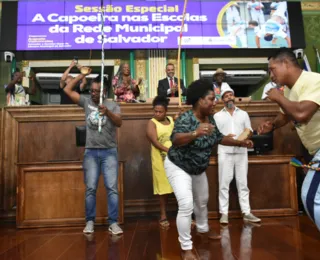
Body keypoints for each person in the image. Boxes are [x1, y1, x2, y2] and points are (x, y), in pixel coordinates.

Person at [164, 79, 253, 260]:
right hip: (178, 166)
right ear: (199, 100)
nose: (215, 102)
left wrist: (240, 142)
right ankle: (187, 248)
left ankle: (203, 230)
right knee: (187, 204)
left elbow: (219, 138)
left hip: (197, 169)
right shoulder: (186, 118)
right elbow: (175, 139)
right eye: (211, 99)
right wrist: (195, 132)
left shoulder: (210, 118)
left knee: (203, 201)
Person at [258, 48, 320, 231]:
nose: (271, 75)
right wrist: (273, 125)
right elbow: (286, 115)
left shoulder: (314, 80)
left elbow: (301, 113)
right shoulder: (290, 90)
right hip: (314, 150)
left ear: (286, 64)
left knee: (310, 197)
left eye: (272, 69)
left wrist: (278, 97)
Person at [64, 68, 123, 235]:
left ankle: (113, 223)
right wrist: (82, 75)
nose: (94, 94)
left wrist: (108, 112)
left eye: (97, 91)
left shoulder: (113, 104)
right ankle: (90, 221)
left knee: (112, 188)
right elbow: (67, 90)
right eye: (92, 90)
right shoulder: (86, 102)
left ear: (104, 91)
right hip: (90, 152)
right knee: (90, 188)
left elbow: (119, 123)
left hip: (109, 151)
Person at [214, 87, 261, 225]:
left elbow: (249, 130)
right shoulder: (217, 116)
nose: (229, 97)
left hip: (241, 153)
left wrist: (248, 137)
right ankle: (224, 214)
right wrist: (225, 137)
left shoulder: (243, 114)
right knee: (224, 184)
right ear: (222, 100)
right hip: (225, 152)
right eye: (226, 96)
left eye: (231, 95)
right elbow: (215, 136)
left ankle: (246, 212)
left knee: (243, 183)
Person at [146, 96, 174, 229]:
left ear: (166, 111)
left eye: (160, 111)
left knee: (178, 184)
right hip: (159, 158)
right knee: (163, 187)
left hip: (175, 159)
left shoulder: (171, 120)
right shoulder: (152, 123)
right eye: (155, 111)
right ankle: (163, 215)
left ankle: (185, 214)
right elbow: (154, 141)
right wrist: (168, 150)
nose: (157, 114)